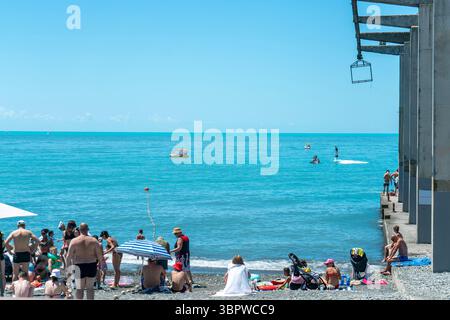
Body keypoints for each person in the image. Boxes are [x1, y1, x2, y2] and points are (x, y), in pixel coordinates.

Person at [66, 223, 103, 300]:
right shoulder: (94, 240)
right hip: (91, 265)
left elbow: (68, 257)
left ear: (79, 230)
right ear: (88, 229)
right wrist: (101, 266)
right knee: (90, 288)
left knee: (79, 289)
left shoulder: (74, 241)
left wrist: (68, 269)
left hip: (79, 266)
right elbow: (100, 256)